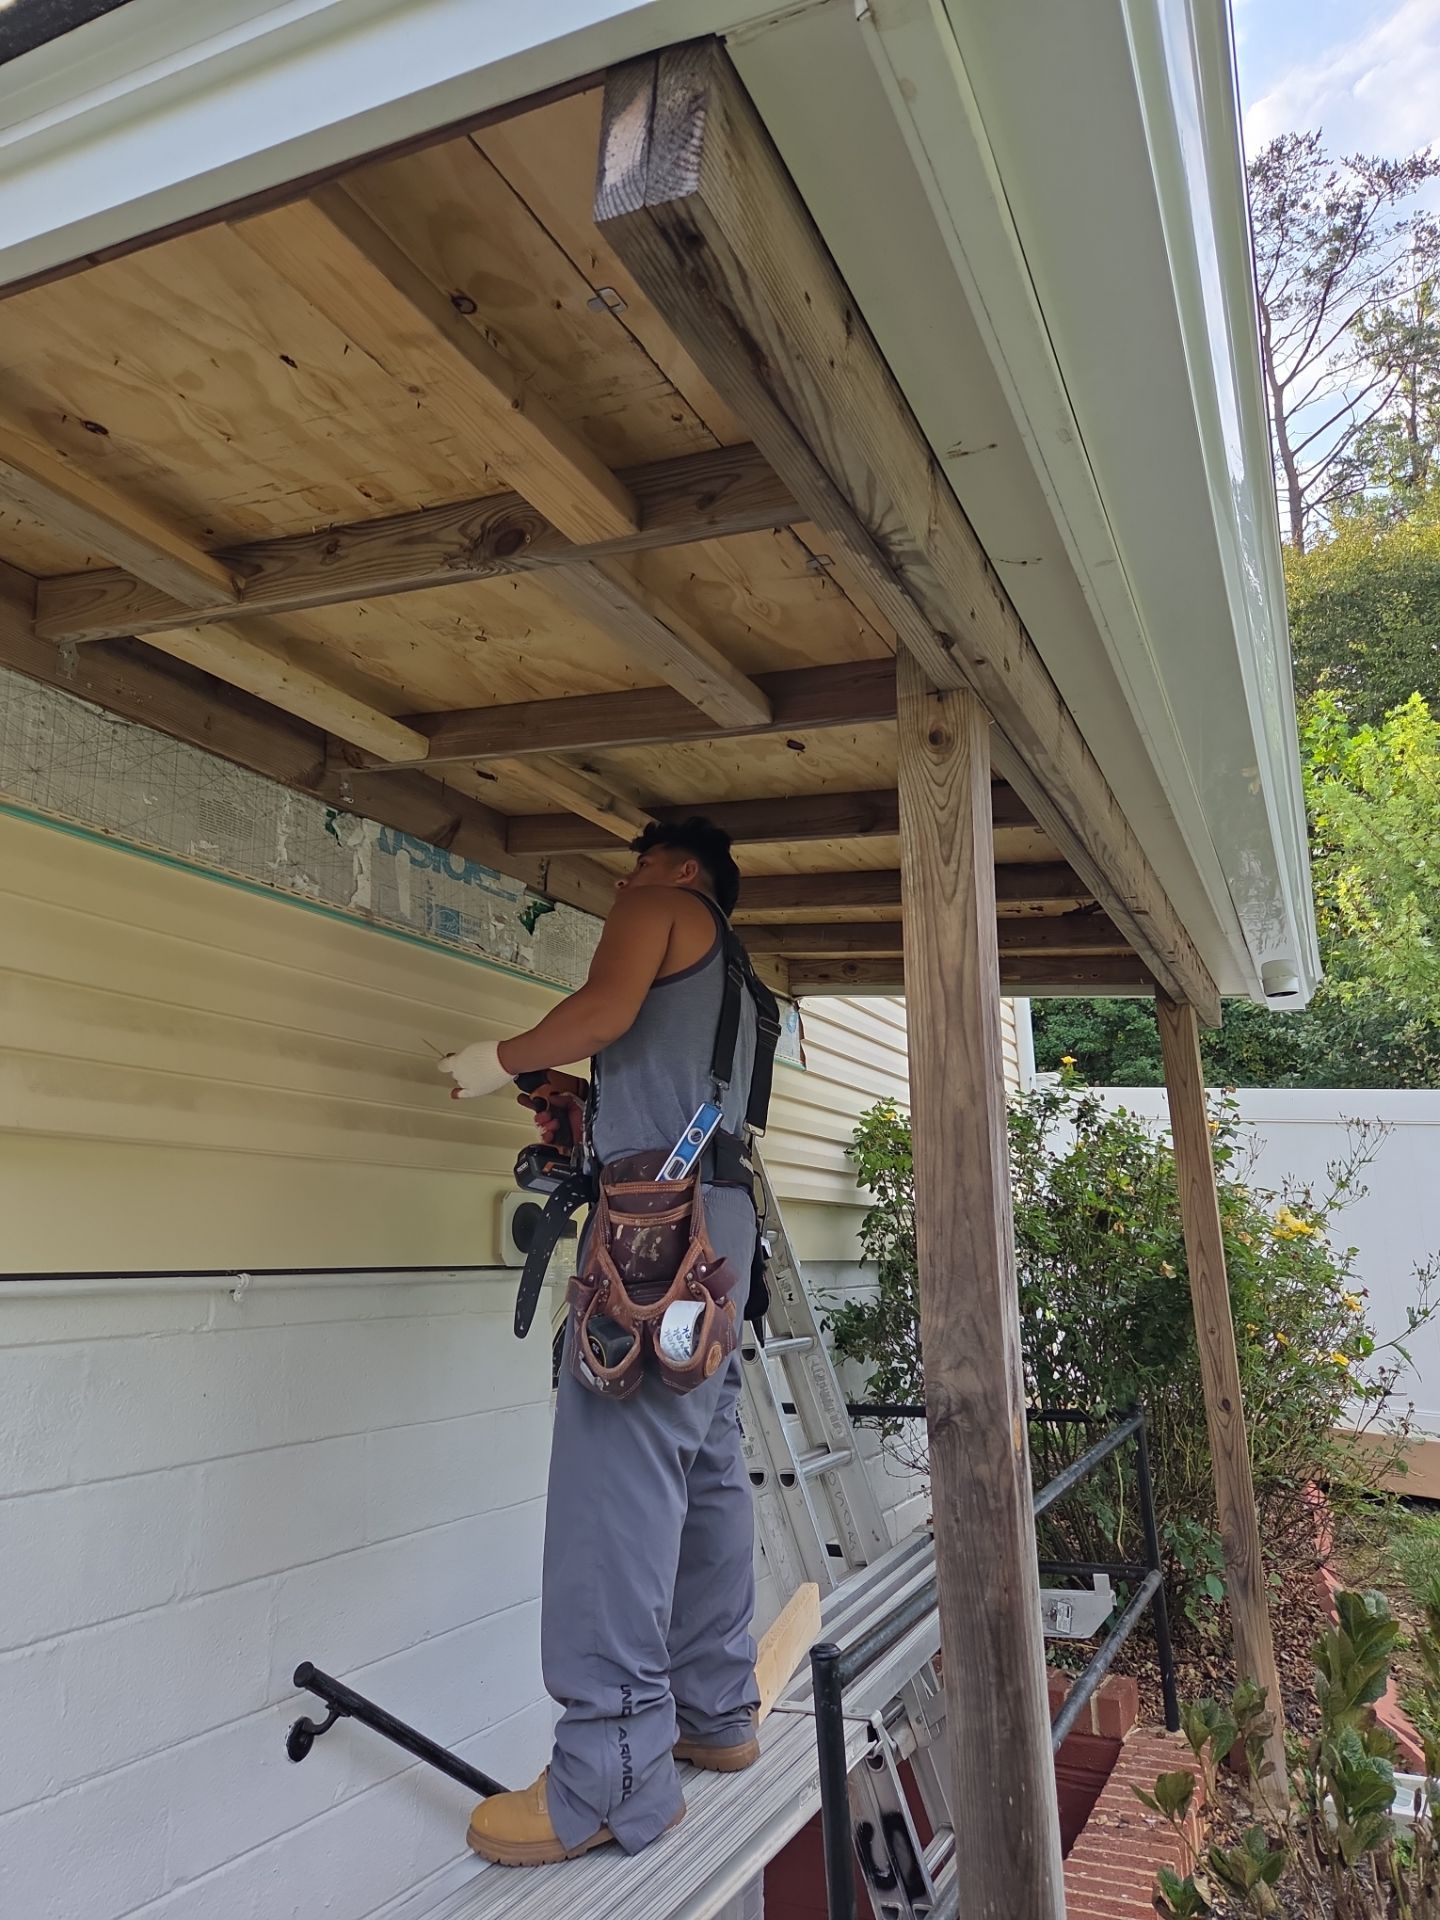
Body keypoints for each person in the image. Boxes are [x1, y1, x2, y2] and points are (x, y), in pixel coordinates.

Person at [438, 818, 776, 1868]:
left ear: (682, 874)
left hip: (648, 1237)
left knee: (613, 1487)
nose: (623, 889)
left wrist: (493, 1061)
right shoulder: (744, 990)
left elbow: (600, 1009)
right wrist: (588, 1104)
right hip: (721, 1224)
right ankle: (715, 1714)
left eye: (638, 867)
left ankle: (609, 1774)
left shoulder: (660, 906)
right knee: (707, 1464)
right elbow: (684, 1099)